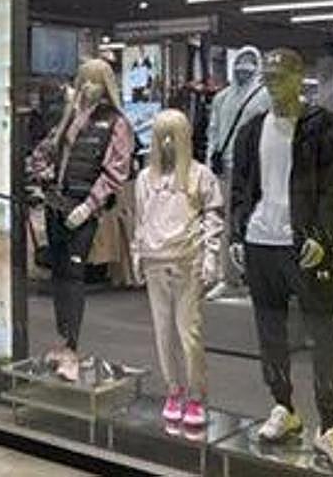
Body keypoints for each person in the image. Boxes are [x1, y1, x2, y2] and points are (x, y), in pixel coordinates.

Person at [230, 48, 333, 471]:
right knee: (270, 330)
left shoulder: (324, 126)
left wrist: (322, 235)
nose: (271, 84)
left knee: (324, 334)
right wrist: (237, 234)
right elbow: (241, 188)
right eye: (267, 77)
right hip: (259, 243)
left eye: (279, 77)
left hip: (303, 246)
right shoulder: (251, 130)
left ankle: (330, 424)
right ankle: (283, 406)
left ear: (298, 77)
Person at [29, 58, 133, 381]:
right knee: (59, 274)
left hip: (83, 208)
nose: (88, 87)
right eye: (84, 80)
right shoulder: (69, 116)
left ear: (106, 85)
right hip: (57, 205)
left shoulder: (116, 123)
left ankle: (72, 346)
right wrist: (44, 176)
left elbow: (116, 172)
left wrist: (89, 206)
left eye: (95, 81)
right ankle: (63, 340)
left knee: (74, 275)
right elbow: (43, 152)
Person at [132, 109, 223, 429]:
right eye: (162, 136)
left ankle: (196, 394)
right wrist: (136, 254)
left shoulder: (200, 175)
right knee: (163, 332)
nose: (168, 142)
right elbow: (140, 220)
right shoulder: (145, 179)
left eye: (173, 135)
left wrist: (211, 257)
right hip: (154, 259)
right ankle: (173, 388)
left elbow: (213, 218)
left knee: (189, 333)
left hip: (188, 259)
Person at [205, 46, 269, 296]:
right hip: (226, 168)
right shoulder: (222, 97)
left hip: (256, 169)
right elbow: (213, 131)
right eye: (240, 63)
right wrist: (211, 162)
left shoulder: (265, 96)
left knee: (255, 221)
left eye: (249, 63)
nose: (243, 68)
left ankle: (257, 276)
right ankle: (228, 276)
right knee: (226, 223)